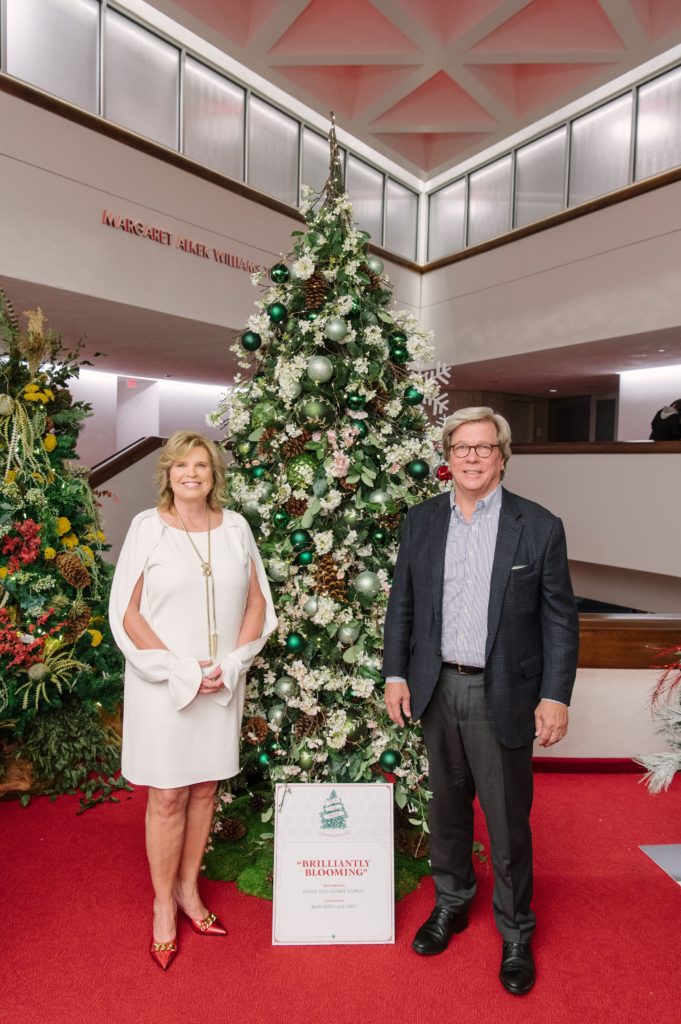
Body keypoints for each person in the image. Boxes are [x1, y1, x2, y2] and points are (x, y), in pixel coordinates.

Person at [382, 407, 578, 995]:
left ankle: (517, 931)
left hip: (506, 692)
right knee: (446, 810)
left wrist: (554, 695)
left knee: (506, 819)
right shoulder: (420, 522)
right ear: (448, 455)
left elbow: (560, 622)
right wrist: (395, 675)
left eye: (483, 448)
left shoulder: (538, 525)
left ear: (502, 456)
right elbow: (403, 606)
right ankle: (452, 902)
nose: (472, 457)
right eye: (461, 447)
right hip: (435, 686)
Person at [109, 431, 276, 971]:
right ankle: (162, 904)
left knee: (205, 788)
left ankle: (188, 890)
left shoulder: (235, 528)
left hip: (222, 681)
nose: (192, 473)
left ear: (213, 473)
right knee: (168, 795)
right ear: (168, 473)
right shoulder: (146, 527)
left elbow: (256, 600)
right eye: (182, 465)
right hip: (164, 684)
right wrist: (179, 668)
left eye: (201, 465)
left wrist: (230, 665)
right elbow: (128, 612)